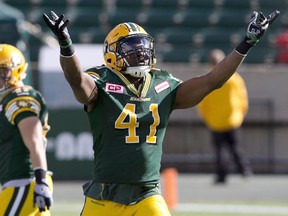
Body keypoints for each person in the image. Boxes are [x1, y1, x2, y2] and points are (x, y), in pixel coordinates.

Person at [43, 9, 279, 215]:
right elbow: (77, 80)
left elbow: (211, 81)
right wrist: (66, 45)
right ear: (112, 54)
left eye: (143, 46)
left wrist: (246, 43)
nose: (141, 53)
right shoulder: (102, 80)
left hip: (146, 194)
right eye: (131, 48)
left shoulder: (162, 84)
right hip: (105, 196)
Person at [0, 44, 53, 215]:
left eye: (1, 72)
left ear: (16, 70)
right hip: (18, 182)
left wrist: (41, 180)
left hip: (25, 182)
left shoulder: (20, 97)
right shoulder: (7, 100)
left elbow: (34, 140)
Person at [197, 49, 252, 184]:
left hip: (215, 121)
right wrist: (242, 113)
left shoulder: (208, 79)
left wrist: (206, 118)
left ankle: (222, 176)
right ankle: (244, 170)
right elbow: (242, 98)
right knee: (236, 147)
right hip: (233, 119)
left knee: (219, 151)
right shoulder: (234, 78)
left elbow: (202, 102)